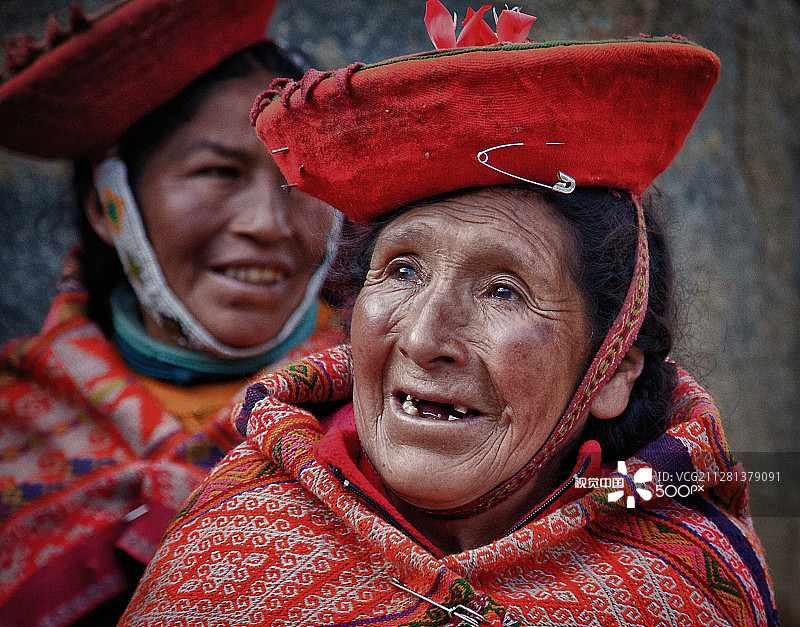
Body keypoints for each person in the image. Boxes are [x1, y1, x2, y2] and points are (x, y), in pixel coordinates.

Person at [120, 3, 777, 626]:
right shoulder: (228, 552)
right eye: (402, 270)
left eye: (503, 291)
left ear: (610, 373)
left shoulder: (680, 585)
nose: (426, 337)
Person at [0, 0, 345, 624]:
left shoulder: (386, 405)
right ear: (109, 202)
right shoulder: (9, 422)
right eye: (217, 171)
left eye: (299, 179)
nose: (268, 224)